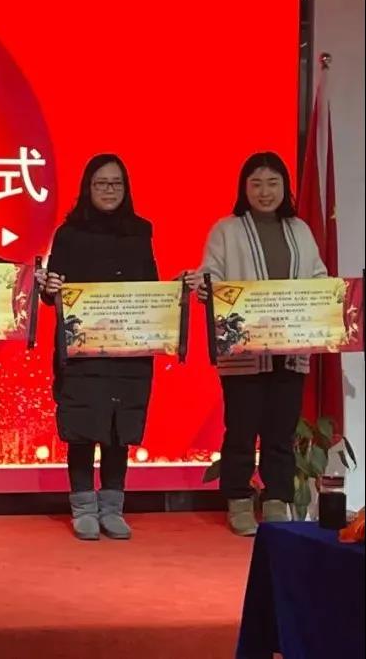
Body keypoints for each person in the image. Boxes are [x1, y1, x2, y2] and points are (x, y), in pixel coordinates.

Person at [187, 152, 326, 536]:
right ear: (244, 188)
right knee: (241, 429)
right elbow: (211, 277)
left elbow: (318, 277)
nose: (265, 192)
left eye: (272, 183)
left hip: (290, 350)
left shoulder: (300, 230)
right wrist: (204, 287)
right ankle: (239, 500)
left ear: (285, 187)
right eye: (256, 184)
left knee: (281, 432)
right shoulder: (226, 230)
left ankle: (277, 499)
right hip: (243, 353)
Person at [39, 154, 159, 540]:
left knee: (119, 427)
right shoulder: (69, 233)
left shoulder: (140, 231)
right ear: (87, 188)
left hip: (128, 347)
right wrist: (49, 287)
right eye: (101, 183)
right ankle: (83, 507)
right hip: (82, 349)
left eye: (116, 183)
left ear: (126, 189)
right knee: (82, 425)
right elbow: (50, 294)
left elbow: (151, 287)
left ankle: (112, 507)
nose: (109, 190)